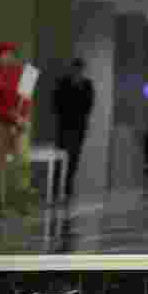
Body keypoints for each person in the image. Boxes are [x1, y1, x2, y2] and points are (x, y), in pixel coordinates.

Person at [0, 42, 32, 213]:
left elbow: (26, 100)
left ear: (14, 56)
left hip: (20, 125)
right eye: (3, 54)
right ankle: (1, 205)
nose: (6, 57)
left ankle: (22, 202)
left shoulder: (24, 74)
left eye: (10, 54)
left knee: (23, 164)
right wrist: (12, 118)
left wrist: (21, 120)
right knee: (0, 167)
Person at [52, 57, 94, 199]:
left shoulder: (87, 85)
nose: (78, 72)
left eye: (80, 70)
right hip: (64, 125)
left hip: (79, 126)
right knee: (60, 155)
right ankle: (56, 186)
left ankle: (68, 186)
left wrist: (79, 89)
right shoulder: (63, 83)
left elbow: (88, 105)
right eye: (75, 69)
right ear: (72, 69)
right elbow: (56, 102)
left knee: (74, 158)